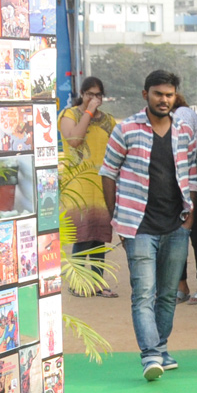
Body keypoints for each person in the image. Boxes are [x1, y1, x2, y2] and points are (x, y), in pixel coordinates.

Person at [100, 69, 197, 381]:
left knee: (168, 294)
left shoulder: (184, 131)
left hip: (175, 227)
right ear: (146, 95)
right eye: (158, 94)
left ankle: (161, 348)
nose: (164, 100)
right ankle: (151, 355)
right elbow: (108, 172)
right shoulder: (126, 129)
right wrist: (117, 216)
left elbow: (191, 174)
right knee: (144, 292)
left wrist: (189, 217)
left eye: (169, 95)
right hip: (138, 226)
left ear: (175, 97)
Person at [58, 76, 119, 298]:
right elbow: (74, 139)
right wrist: (89, 112)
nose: (94, 98)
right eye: (90, 94)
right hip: (79, 184)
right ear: (82, 95)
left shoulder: (109, 121)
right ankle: (77, 282)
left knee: (99, 235)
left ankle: (98, 282)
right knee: (83, 235)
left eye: (98, 95)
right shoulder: (69, 115)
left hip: (102, 183)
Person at [172, 91, 197, 304]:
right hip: (179, 186)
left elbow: (183, 155)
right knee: (177, 238)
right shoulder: (176, 115)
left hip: (196, 185)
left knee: (196, 237)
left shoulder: (182, 116)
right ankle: (183, 286)